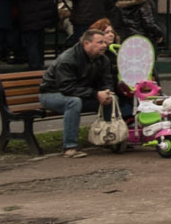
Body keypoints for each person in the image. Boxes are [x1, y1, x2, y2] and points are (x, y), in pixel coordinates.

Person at [39, 28, 118, 158]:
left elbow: (107, 80)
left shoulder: (103, 59)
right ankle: (70, 147)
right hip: (52, 94)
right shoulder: (68, 59)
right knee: (73, 102)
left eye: (104, 42)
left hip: (80, 93)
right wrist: (95, 94)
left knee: (112, 100)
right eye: (99, 42)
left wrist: (107, 92)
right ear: (86, 43)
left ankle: (110, 138)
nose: (104, 45)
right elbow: (67, 88)